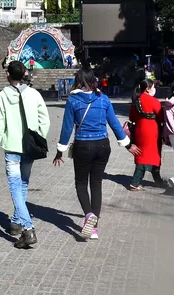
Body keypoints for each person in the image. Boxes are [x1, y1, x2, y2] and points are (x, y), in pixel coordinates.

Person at [54, 69, 135, 241]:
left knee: (81, 183)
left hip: (83, 146)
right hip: (103, 146)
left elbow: (67, 128)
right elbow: (114, 124)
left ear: (77, 81)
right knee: (96, 184)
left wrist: (60, 151)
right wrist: (127, 144)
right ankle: (94, 228)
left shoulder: (73, 101)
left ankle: (89, 214)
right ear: (93, 81)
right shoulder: (103, 99)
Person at [0, 60, 50, 250]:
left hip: (13, 148)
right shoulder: (34, 94)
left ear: (7, 74)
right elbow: (45, 120)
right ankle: (15, 221)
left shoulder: (2, 97)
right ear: (24, 73)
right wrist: (39, 137)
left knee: (15, 186)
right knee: (23, 184)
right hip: (29, 148)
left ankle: (28, 228)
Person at [127, 80, 164, 191]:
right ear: (147, 88)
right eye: (153, 86)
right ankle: (140, 181)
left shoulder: (136, 101)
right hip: (153, 131)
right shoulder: (154, 101)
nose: (154, 89)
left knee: (141, 154)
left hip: (139, 130)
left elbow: (132, 117)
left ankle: (138, 181)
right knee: (155, 154)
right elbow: (161, 118)